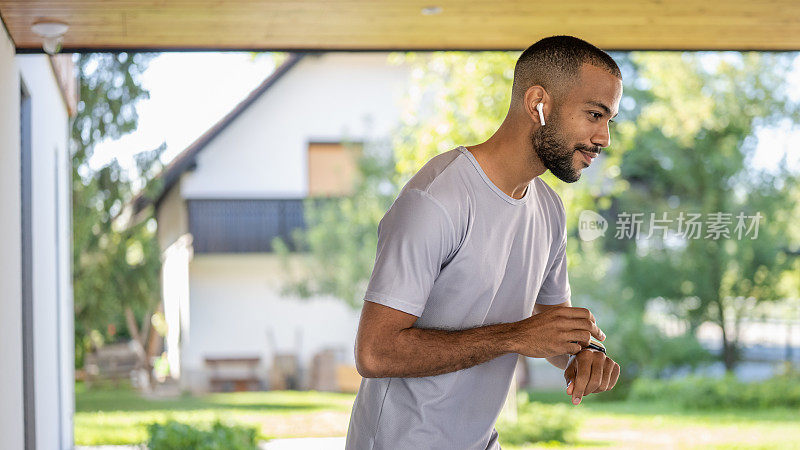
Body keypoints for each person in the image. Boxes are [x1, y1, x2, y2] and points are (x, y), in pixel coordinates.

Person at [345, 35, 622, 450]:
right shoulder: (438, 198)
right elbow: (374, 352)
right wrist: (515, 336)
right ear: (538, 104)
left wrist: (583, 355)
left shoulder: (548, 209)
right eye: (594, 115)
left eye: (609, 120)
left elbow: (550, 329)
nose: (604, 138)